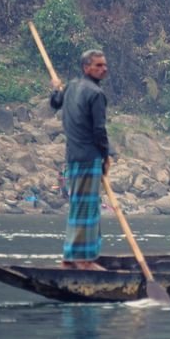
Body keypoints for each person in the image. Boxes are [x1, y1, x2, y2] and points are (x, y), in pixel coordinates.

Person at [49, 49, 114, 271]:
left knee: (78, 206)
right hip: (88, 157)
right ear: (86, 67)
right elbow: (99, 130)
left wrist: (56, 88)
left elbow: (55, 102)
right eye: (98, 65)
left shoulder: (72, 86)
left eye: (104, 65)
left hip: (73, 157)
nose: (103, 69)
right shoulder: (95, 93)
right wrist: (106, 157)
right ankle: (84, 261)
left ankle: (69, 258)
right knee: (88, 209)